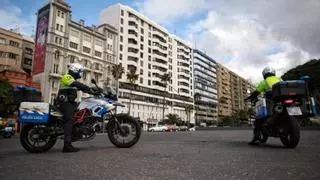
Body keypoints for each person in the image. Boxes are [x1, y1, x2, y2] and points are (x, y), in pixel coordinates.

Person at [56, 63, 98, 152]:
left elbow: (82, 88)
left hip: (70, 103)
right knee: (70, 120)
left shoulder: (72, 80)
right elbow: (78, 85)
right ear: (75, 70)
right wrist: (88, 88)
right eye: (80, 71)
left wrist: (94, 92)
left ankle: (75, 134)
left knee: (81, 115)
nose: (81, 73)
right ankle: (67, 145)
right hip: (64, 103)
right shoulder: (67, 77)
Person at [248, 66, 282, 145]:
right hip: (282, 100)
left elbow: (257, 92)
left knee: (259, 119)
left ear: (264, 74)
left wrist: (251, 97)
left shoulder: (264, 81)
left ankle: (256, 138)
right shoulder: (280, 79)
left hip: (271, 101)